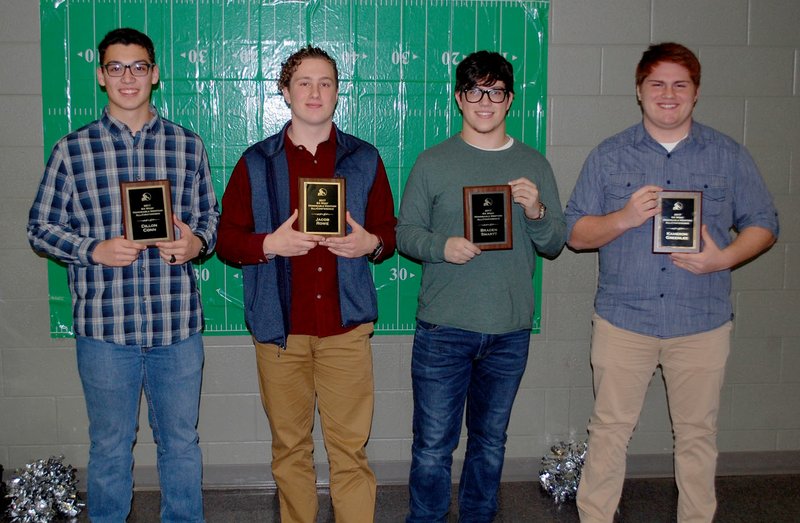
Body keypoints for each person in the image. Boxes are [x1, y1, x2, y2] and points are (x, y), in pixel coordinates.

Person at [565, 42, 779, 523]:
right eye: (657, 84)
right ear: (639, 91)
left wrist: (721, 259)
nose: (668, 94)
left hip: (700, 322)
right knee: (608, 432)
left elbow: (765, 223)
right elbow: (574, 233)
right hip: (624, 321)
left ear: (696, 93)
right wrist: (621, 218)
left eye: (680, 85)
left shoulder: (728, 154)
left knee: (698, 436)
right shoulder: (609, 156)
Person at [27, 27, 218, 522]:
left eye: (138, 67)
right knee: (110, 448)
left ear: (154, 75)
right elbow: (40, 228)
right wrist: (95, 249)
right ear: (101, 75)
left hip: (176, 328)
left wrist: (195, 243)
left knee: (181, 444)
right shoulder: (73, 150)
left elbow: (208, 220)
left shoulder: (186, 146)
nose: (127, 77)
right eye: (115, 67)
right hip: (105, 331)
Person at [215, 45, 396, 523]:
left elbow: (389, 233)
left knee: (349, 452)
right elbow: (225, 240)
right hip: (280, 331)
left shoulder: (365, 159)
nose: (315, 92)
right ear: (285, 90)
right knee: (290, 449)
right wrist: (269, 244)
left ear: (337, 93)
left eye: (326, 83)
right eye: (304, 83)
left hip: (346, 329)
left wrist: (370, 244)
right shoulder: (256, 162)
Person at [396, 50, 566, 522]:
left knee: (490, 445)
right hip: (443, 329)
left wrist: (535, 212)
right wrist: (441, 246)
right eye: (474, 90)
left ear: (509, 100)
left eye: (494, 91)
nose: (484, 101)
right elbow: (404, 232)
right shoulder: (433, 162)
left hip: (508, 332)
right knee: (432, 447)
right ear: (459, 98)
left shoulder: (535, 165)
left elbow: (555, 243)